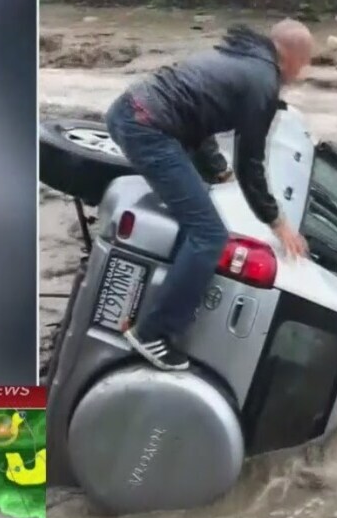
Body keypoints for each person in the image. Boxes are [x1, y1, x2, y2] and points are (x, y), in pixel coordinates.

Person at [105, 19, 312, 371]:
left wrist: (217, 170)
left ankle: (164, 299)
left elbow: (199, 116)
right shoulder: (262, 83)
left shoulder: (241, 58)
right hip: (148, 128)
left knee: (197, 213)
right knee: (210, 235)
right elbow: (250, 163)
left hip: (133, 112)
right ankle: (153, 332)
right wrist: (277, 222)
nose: (302, 72)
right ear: (292, 57)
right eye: (305, 63)